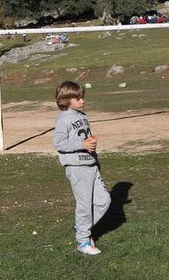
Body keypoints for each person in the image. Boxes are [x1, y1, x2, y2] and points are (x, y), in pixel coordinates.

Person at [53, 80, 110, 256]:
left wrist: (93, 152)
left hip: (91, 165)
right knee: (84, 205)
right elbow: (59, 143)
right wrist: (82, 144)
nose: (83, 101)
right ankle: (83, 241)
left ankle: (80, 226)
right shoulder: (63, 119)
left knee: (104, 201)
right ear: (66, 100)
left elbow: (86, 141)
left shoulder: (83, 116)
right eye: (78, 98)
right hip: (77, 167)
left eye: (83, 97)